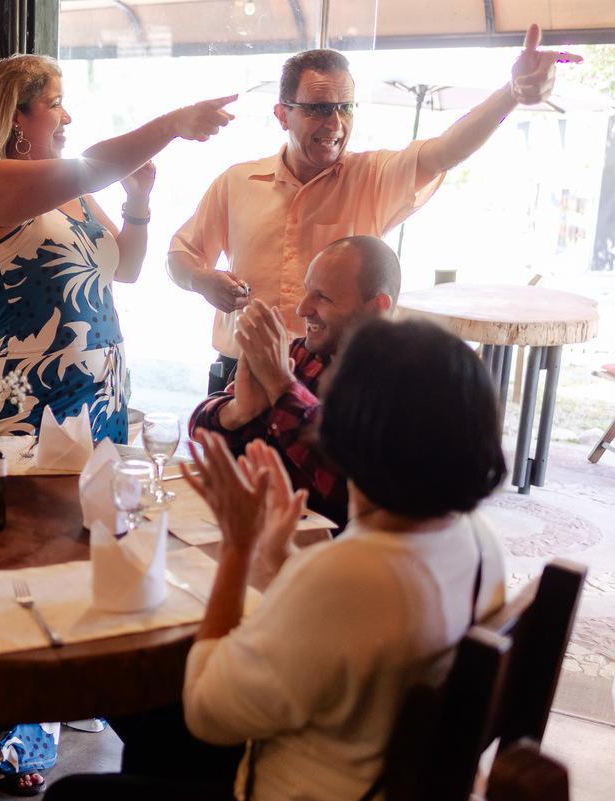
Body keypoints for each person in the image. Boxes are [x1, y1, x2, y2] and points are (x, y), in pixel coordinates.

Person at [181, 317, 508, 801]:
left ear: (348, 431)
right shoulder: (479, 540)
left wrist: (237, 547)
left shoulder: (348, 574)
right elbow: (357, 631)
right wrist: (281, 554)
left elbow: (205, 711)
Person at [167, 25, 581, 393]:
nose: (335, 123)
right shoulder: (236, 182)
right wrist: (201, 280)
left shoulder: (373, 177)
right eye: (318, 108)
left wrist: (511, 93)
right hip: (239, 374)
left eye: (345, 107)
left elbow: (444, 152)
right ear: (282, 115)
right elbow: (179, 254)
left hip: (334, 380)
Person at [0, 53, 236, 444]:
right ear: (16, 116)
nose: (67, 117)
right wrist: (172, 125)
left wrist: (138, 200)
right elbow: (95, 168)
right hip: (37, 396)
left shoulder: (76, 196)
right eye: (55, 104)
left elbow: (127, 269)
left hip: (105, 392)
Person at [188, 235, 400, 527]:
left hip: (339, 550)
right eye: (307, 291)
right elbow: (198, 428)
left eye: (323, 297)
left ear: (377, 308)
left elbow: (349, 488)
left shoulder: (402, 384)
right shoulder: (299, 354)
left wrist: (283, 389)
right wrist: (239, 411)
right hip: (265, 533)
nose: (302, 309)